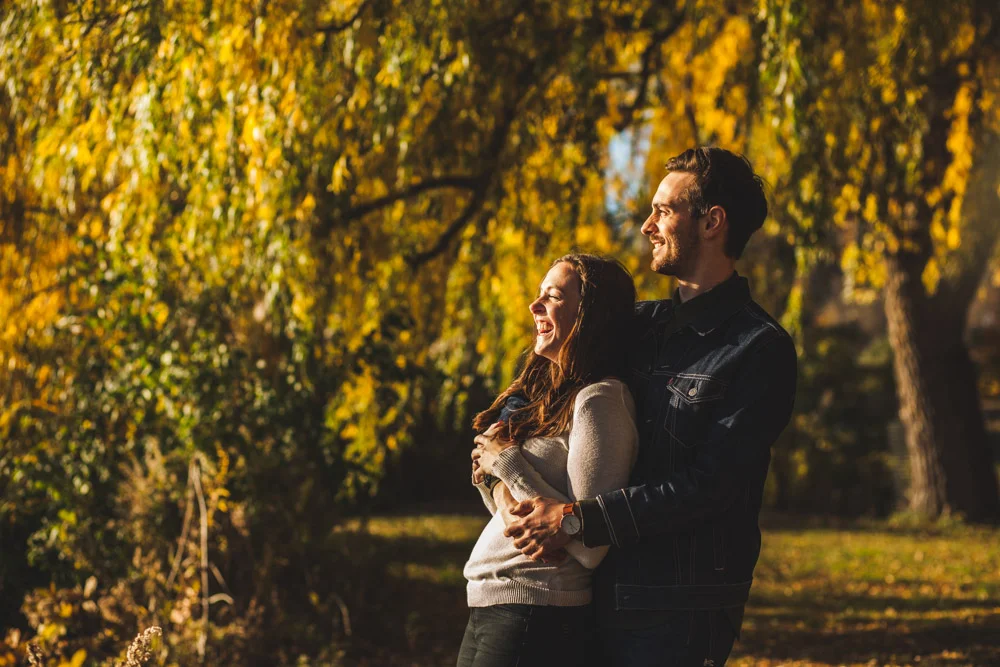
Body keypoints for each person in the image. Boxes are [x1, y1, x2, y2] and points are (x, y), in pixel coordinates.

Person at [500, 148, 798, 666]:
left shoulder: (759, 347)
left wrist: (574, 520)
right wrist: (505, 481)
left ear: (711, 222)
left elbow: (713, 485)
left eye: (662, 210)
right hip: (586, 590)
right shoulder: (634, 326)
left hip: (677, 610)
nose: (646, 226)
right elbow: (531, 402)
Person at [457, 254, 639, 667]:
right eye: (538, 295)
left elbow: (592, 544)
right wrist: (499, 485)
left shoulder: (601, 400)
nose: (534, 306)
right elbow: (518, 515)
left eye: (552, 297)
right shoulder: (549, 399)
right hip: (492, 603)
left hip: (535, 612)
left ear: (590, 316)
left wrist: (505, 464)